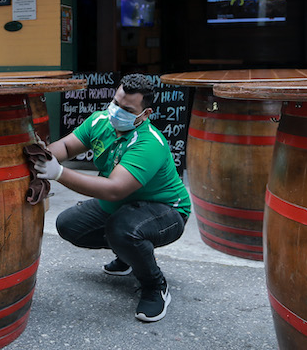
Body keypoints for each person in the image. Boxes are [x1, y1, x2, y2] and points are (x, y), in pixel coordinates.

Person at [33, 74, 191, 322]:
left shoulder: (148, 143)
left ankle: (154, 285)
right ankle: (128, 256)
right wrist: (42, 158)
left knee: (123, 229)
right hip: (124, 206)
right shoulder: (100, 121)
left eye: (127, 109)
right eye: (116, 103)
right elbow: (65, 147)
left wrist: (59, 173)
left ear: (145, 113)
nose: (117, 111)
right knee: (69, 225)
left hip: (167, 211)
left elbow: (113, 189)